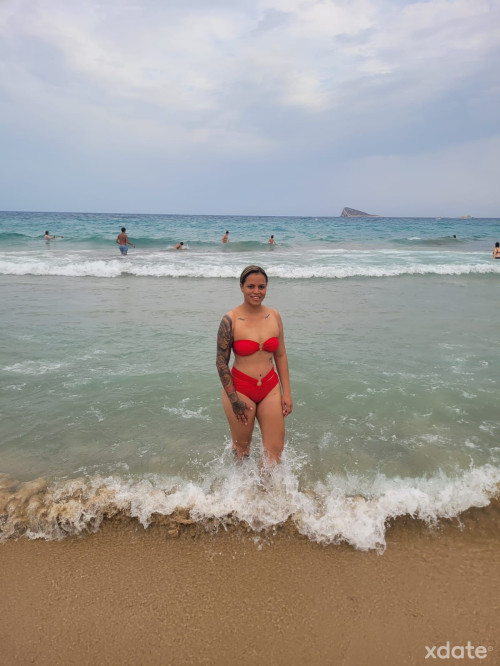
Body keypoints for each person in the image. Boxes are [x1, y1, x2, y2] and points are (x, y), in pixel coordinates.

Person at [216, 265, 292, 464]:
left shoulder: (274, 316)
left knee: (275, 451)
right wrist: (234, 400)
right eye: (251, 286)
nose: (256, 292)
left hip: (270, 388)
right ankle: (240, 484)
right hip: (240, 390)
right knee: (242, 449)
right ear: (241, 287)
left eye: (261, 287)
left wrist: (287, 392)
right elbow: (221, 363)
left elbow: (281, 355)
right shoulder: (230, 320)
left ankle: (268, 485)